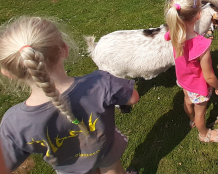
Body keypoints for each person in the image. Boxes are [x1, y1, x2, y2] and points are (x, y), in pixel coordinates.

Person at [0, 17, 139, 173]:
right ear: (65, 49)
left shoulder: (13, 123)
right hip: (107, 153)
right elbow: (133, 97)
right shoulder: (101, 82)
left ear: (8, 73)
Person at [164, 0, 218, 143]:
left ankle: (191, 120)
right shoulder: (202, 45)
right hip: (198, 86)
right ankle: (204, 133)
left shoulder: (173, 32)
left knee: (187, 100)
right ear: (198, 15)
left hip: (183, 80)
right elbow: (209, 76)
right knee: (201, 113)